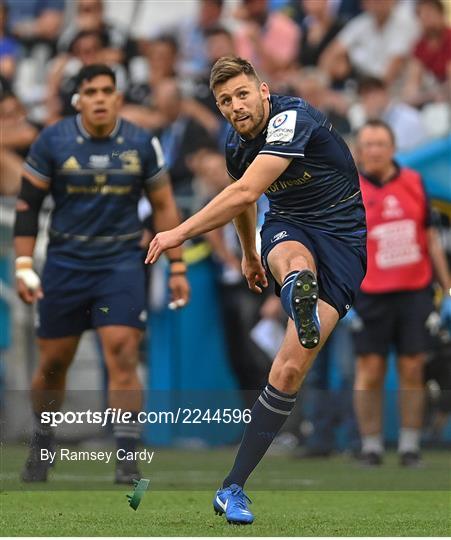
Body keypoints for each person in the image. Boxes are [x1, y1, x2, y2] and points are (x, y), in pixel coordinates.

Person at [145, 56, 367, 524]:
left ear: (262, 91)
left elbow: (245, 193)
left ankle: (231, 486)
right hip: (290, 226)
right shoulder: (235, 144)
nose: (234, 106)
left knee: (287, 372)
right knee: (294, 260)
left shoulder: (291, 118)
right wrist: (248, 253)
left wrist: (176, 233)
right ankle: (298, 287)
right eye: (224, 100)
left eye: (242, 94)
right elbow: (246, 202)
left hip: (344, 240)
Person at [14, 64, 190, 484]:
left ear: (117, 97)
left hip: (120, 264)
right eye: (89, 91)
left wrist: (177, 265)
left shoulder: (140, 142)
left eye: (106, 90)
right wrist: (23, 266)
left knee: (123, 353)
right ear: (78, 100)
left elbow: (165, 206)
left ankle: (127, 455)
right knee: (54, 363)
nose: (98, 98)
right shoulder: (52, 141)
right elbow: (27, 208)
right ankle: (43, 441)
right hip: (64, 264)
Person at [352, 119, 451, 468]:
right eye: (368, 144)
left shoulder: (414, 183)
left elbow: (431, 239)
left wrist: (448, 288)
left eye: (381, 143)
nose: (374, 150)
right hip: (368, 293)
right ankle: (371, 447)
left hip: (415, 291)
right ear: (359, 151)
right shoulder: (349, 190)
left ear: (393, 148)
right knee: (370, 368)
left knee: (412, 368)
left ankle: (410, 447)